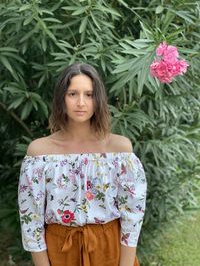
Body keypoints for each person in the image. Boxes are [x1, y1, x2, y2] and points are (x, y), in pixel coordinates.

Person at [18, 63, 147, 266]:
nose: (81, 102)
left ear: (99, 100)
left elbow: (133, 216)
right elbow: (31, 221)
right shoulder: (39, 154)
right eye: (72, 94)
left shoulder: (119, 150)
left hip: (109, 249)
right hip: (59, 251)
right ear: (61, 98)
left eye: (89, 94)